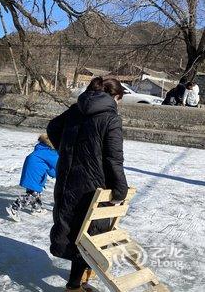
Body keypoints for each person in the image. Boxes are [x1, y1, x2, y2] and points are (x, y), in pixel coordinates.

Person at [47, 77, 128, 292]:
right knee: (89, 234)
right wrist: (120, 191)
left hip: (68, 181)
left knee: (76, 232)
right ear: (115, 97)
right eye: (120, 99)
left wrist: (67, 152)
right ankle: (74, 285)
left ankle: (77, 282)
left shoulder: (76, 109)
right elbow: (114, 159)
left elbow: (53, 127)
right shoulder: (110, 118)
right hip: (93, 185)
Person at [6, 134, 59, 222]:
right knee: (32, 195)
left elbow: (48, 167)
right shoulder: (49, 153)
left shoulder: (41, 149)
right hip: (35, 174)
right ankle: (14, 208)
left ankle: (36, 209)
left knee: (35, 193)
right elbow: (58, 164)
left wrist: (55, 174)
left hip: (31, 173)